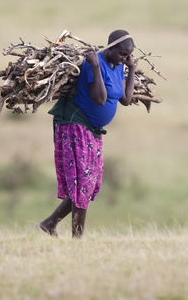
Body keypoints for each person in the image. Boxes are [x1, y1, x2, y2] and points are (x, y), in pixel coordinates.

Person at [39, 30, 138, 238]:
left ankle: (50, 223)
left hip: (92, 130)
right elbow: (99, 99)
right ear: (110, 48)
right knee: (83, 182)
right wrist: (94, 66)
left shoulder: (118, 66)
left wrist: (131, 69)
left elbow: (127, 99)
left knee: (89, 182)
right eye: (121, 54)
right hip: (76, 124)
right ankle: (77, 239)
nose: (124, 58)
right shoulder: (94, 63)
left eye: (127, 55)